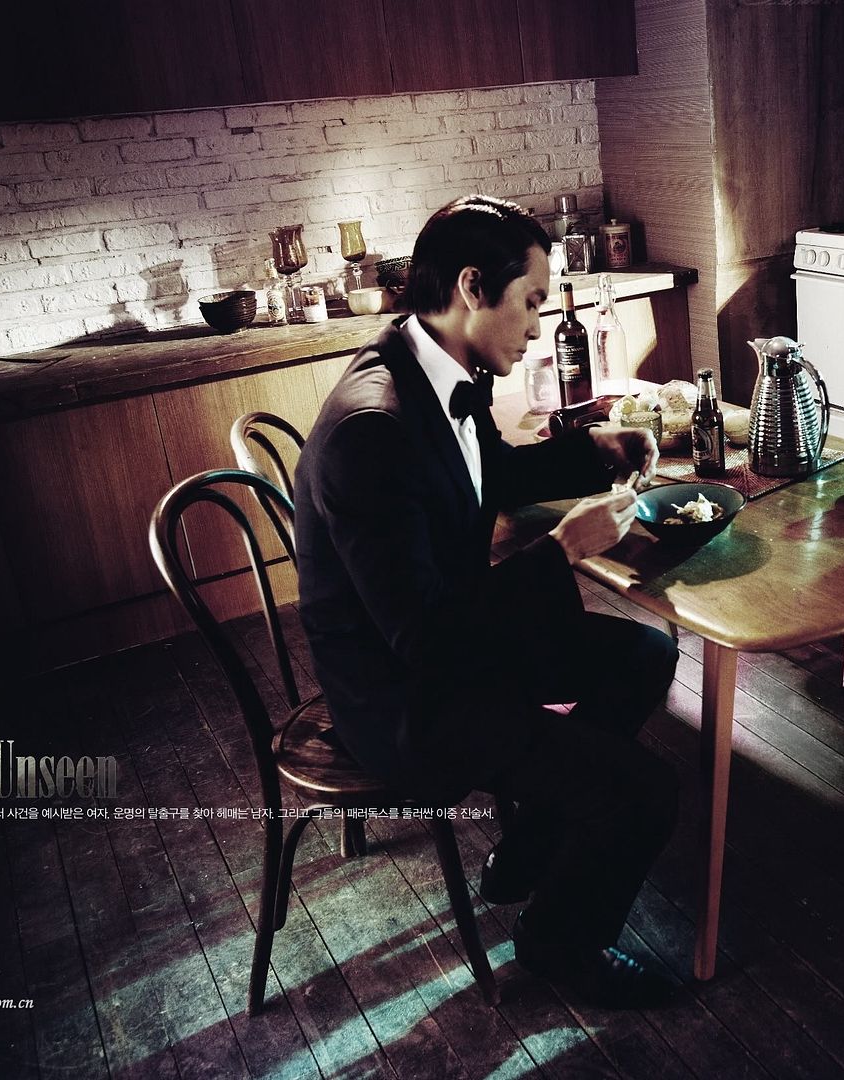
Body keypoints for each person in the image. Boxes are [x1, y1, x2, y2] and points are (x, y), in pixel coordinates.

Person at [294, 195, 681, 1007]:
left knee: (645, 653)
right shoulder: (373, 428)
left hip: (452, 643)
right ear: (473, 287)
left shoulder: (426, 363)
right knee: (644, 791)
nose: (538, 326)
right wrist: (562, 551)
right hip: (405, 699)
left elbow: (486, 469)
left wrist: (596, 451)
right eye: (531, 302)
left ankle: (529, 845)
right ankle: (557, 944)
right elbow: (426, 638)